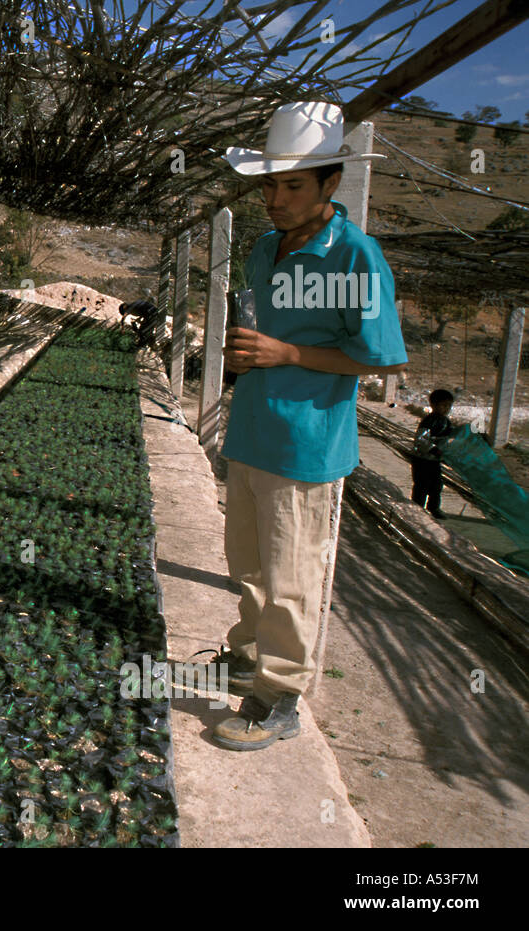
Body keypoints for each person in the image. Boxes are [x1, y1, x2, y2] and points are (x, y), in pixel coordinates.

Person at [208, 102, 409, 750]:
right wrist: (251, 353)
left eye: (292, 185)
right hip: (253, 432)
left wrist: (289, 354)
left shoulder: (356, 256)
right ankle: (245, 653)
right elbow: (264, 330)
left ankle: (278, 696)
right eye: (268, 184)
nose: (275, 198)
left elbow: (385, 356)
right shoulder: (265, 249)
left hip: (307, 444)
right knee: (248, 562)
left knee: (292, 576)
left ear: (329, 184)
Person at [411, 388, 455, 519]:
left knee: (436, 485)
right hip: (422, 459)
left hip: (434, 460)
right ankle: (417, 509)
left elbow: (451, 435)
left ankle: (433, 507)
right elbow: (421, 439)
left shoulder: (446, 421)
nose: (446, 408)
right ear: (433, 405)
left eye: (449, 405)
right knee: (421, 485)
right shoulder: (430, 421)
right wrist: (433, 449)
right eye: (443, 405)